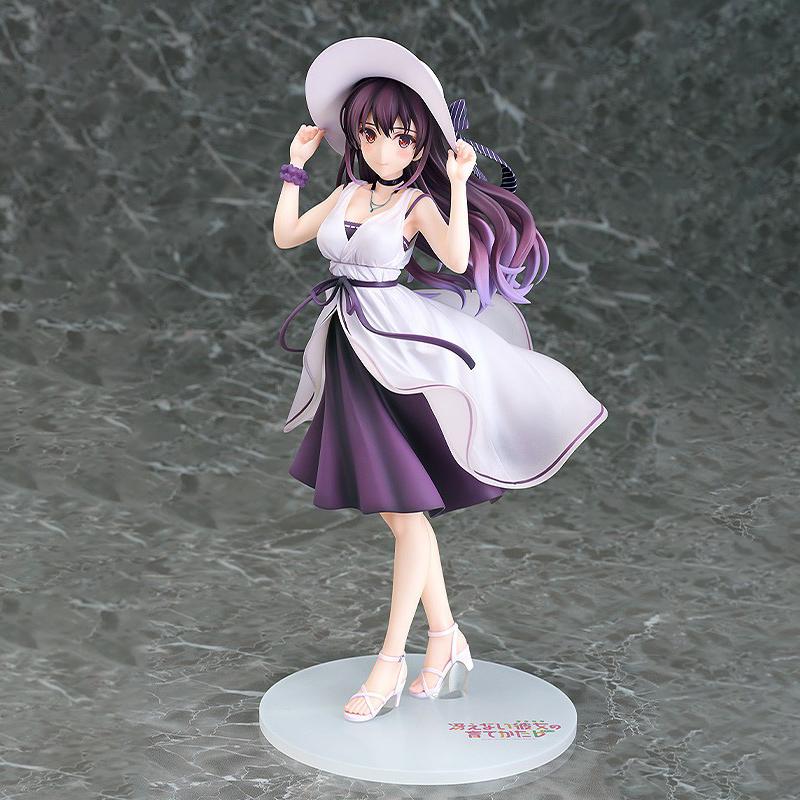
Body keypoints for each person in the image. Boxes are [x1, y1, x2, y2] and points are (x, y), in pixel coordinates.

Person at [273, 37, 608, 723]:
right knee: (402, 512)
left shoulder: (415, 204)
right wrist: (295, 169)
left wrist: (455, 182)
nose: (384, 150)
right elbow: (286, 236)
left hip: (400, 352)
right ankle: (448, 641)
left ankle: (391, 662)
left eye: (400, 138)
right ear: (354, 137)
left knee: (405, 513)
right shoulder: (348, 192)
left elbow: (455, 258)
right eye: (371, 135)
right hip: (351, 350)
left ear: (418, 142)